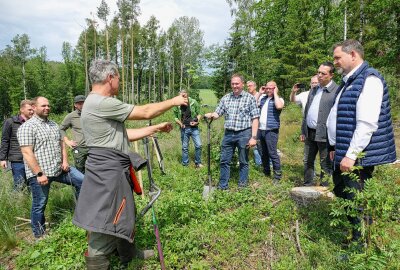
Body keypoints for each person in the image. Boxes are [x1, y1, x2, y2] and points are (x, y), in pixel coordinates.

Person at [72, 59, 188, 269]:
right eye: (118, 77)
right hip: (108, 173)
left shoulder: (93, 103)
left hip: (110, 167)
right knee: (104, 220)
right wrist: (174, 101)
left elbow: (122, 135)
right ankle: (98, 262)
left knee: (124, 212)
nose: (119, 82)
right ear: (110, 77)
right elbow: (145, 111)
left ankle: (128, 253)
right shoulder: (101, 102)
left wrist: (154, 129)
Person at [327, 39, 396, 241]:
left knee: (357, 199)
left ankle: (361, 245)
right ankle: (353, 234)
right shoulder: (349, 81)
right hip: (343, 151)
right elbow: (339, 117)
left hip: (356, 157)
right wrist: (334, 146)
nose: (335, 62)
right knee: (344, 194)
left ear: (354, 55)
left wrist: (350, 155)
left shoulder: (369, 79)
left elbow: (366, 124)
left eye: (338, 57)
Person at [17, 96, 84, 239]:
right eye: (43, 106)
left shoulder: (54, 124)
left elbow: (61, 144)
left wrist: (65, 161)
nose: (47, 108)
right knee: (40, 204)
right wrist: (39, 173)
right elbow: (27, 153)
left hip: (60, 169)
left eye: (48, 105)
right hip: (41, 174)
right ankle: (39, 235)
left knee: (83, 181)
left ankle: (83, 214)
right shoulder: (27, 127)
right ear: (34, 107)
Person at [205, 74, 259, 190]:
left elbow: (255, 118)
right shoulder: (226, 98)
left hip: (244, 133)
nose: (235, 86)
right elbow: (218, 112)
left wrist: (253, 137)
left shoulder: (249, 98)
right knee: (224, 160)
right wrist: (211, 115)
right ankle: (223, 186)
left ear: (242, 84)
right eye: (233, 83)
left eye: (237, 83)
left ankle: (242, 185)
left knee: (243, 161)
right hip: (229, 134)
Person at [300, 62, 338, 186]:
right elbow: (307, 112)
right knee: (307, 160)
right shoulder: (314, 90)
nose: (319, 75)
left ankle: (324, 188)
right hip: (310, 133)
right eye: (319, 72)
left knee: (325, 162)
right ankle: (307, 185)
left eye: (323, 73)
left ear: (331, 75)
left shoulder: (336, 91)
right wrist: (303, 130)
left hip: (325, 134)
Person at [0, 100, 34, 191]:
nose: (32, 111)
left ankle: (29, 202)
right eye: (29, 109)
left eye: (33, 110)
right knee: (19, 185)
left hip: (32, 159)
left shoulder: (34, 123)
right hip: (17, 159)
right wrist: (3, 159)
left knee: (32, 185)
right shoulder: (11, 122)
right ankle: (16, 203)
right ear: (22, 110)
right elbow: (5, 140)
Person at [257, 81, 284, 181]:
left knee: (272, 153)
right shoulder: (263, 98)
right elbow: (252, 104)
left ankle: (277, 176)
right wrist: (260, 93)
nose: (268, 90)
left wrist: (275, 93)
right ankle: (266, 172)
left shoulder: (279, 99)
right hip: (261, 129)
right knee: (263, 153)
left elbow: (279, 106)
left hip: (271, 130)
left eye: (271, 88)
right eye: (267, 88)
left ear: (275, 88)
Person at [173, 89, 203, 168]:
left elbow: (199, 113)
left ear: (187, 94)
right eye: (181, 95)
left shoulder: (193, 102)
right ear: (179, 95)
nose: (183, 95)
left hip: (194, 128)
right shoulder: (177, 105)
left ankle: (198, 163)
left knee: (199, 145)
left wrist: (197, 121)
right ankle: (185, 164)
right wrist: (180, 124)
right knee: (185, 147)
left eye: (184, 94)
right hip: (184, 128)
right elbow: (175, 117)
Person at [60, 95, 88, 174]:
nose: (82, 105)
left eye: (84, 103)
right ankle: (81, 186)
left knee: (94, 169)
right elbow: (61, 129)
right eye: (79, 103)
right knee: (80, 170)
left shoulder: (91, 114)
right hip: (79, 148)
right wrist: (67, 141)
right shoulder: (71, 116)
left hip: (93, 147)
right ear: (75, 105)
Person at [246, 80, 262, 167]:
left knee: (259, 143)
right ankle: (258, 163)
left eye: (250, 85)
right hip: (249, 124)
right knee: (251, 144)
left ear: (255, 86)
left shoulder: (261, 96)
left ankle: (265, 163)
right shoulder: (247, 96)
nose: (249, 87)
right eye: (247, 86)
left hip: (259, 124)